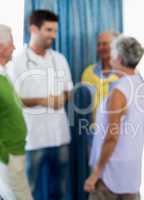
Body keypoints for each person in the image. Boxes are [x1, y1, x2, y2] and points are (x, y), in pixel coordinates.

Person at [8, 10, 73, 199]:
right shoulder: (17, 61)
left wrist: (64, 98)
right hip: (32, 139)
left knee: (59, 191)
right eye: (49, 30)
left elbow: (68, 90)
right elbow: (12, 101)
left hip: (59, 138)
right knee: (29, 189)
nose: (53, 35)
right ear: (33, 29)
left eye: (55, 31)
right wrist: (41, 101)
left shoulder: (59, 59)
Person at [84, 35, 144, 200]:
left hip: (111, 174)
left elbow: (112, 136)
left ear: (118, 58)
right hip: (131, 170)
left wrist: (96, 173)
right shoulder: (139, 82)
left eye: (112, 52)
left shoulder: (119, 91)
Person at [0, 24, 33, 200]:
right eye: (11, 43)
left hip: (16, 152)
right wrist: (5, 155)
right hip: (7, 156)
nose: (14, 47)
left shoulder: (4, 74)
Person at [81, 31, 119, 121]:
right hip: (95, 129)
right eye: (99, 44)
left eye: (105, 44)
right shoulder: (88, 73)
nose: (101, 47)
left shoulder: (125, 73)